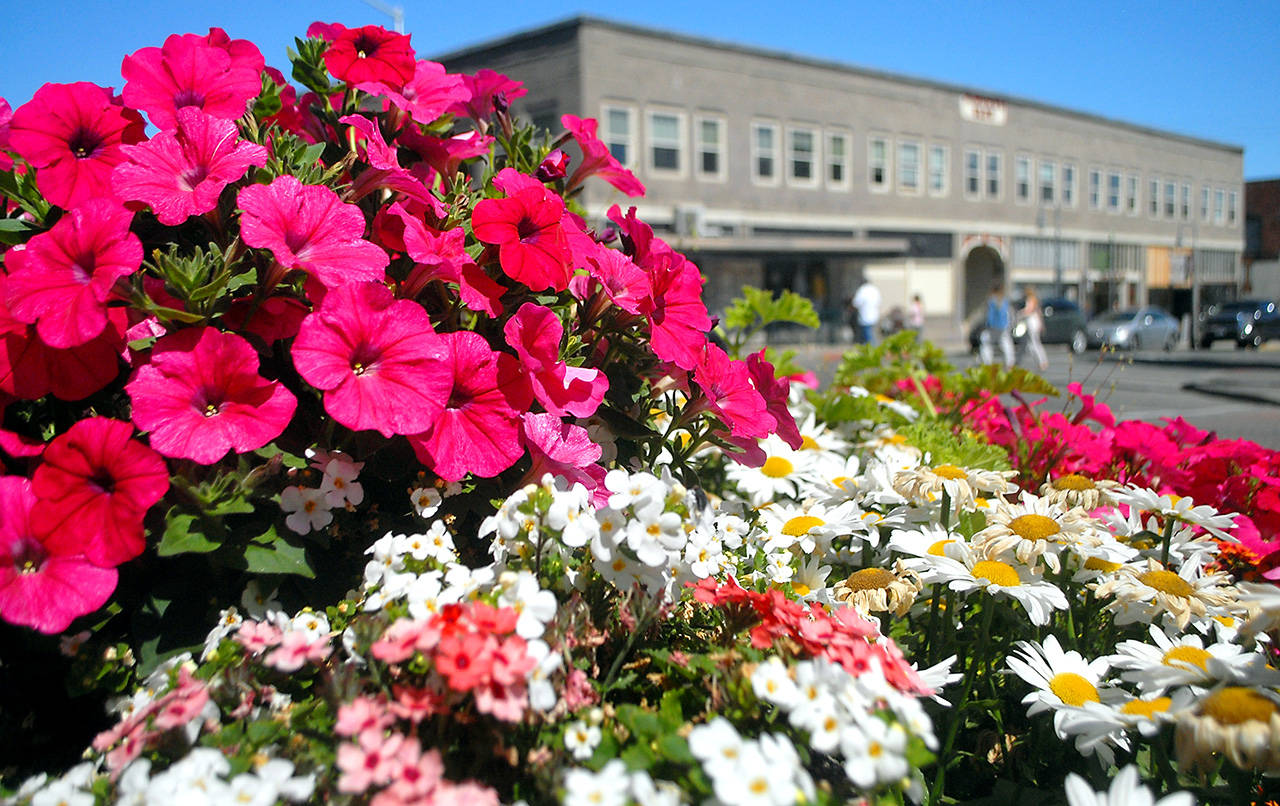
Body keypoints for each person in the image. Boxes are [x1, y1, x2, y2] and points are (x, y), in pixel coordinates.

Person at [978, 283, 1015, 367]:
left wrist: (987, 324)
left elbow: (988, 314)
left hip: (992, 326)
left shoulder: (991, 300)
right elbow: (1009, 314)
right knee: (1006, 344)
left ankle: (987, 362)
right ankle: (1010, 363)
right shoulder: (1005, 300)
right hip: (1003, 326)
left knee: (985, 342)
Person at [1020, 286, 1049, 371]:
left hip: (1032, 322)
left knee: (1034, 343)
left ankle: (1042, 362)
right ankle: (1042, 361)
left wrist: (1020, 314)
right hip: (1034, 322)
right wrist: (1041, 324)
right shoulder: (1035, 299)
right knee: (1033, 343)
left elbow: (1029, 310)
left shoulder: (1031, 299)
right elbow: (1039, 312)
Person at [852, 278, 881, 345]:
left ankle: (870, 348)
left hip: (865, 315)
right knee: (873, 333)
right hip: (874, 315)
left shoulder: (862, 290)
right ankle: (873, 346)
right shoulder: (874, 289)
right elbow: (879, 301)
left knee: (867, 334)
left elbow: (856, 302)